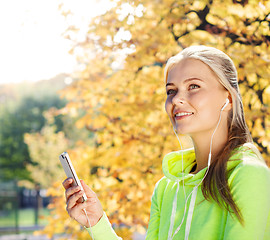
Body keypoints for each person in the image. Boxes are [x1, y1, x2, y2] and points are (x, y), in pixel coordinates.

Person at [62, 46, 270, 240]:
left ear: (229, 98)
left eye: (194, 86)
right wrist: (97, 222)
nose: (177, 99)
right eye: (171, 91)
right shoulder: (166, 188)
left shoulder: (247, 174)